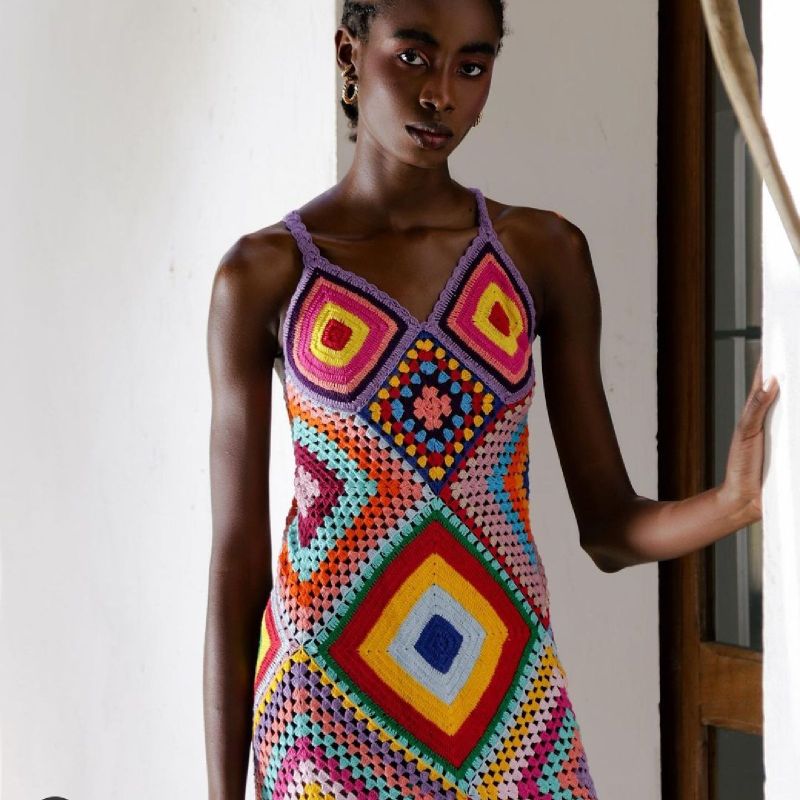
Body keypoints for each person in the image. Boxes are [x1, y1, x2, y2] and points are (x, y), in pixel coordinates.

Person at [203, 1, 780, 798]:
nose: (442, 93)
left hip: (504, 711)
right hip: (323, 715)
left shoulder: (540, 254)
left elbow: (610, 529)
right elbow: (238, 565)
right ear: (350, 52)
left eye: (471, 67)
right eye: (414, 57)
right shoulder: (267, 274)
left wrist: (734, 501)